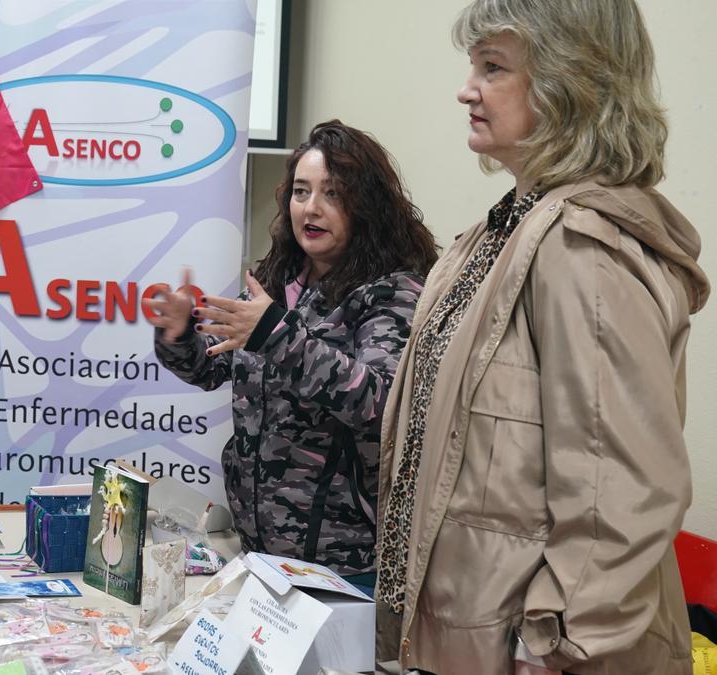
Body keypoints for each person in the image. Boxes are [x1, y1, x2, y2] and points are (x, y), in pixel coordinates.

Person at [373, 1, 708, 673]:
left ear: (570, 82)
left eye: (492, 66)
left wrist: (551, 648)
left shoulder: (584, 247)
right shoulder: (497, 234)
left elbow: (622, 493)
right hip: (467, 641)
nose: (466, 88)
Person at [146, 120, 439, 586]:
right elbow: (211, 367)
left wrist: (275, 335)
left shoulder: (395, 293)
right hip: (261, 555)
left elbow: (382, 404)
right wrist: (179, 334)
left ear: (367, 205)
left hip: (346, 567)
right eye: (301, 192)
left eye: (333, 194)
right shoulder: (281, 279)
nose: (312, 208)